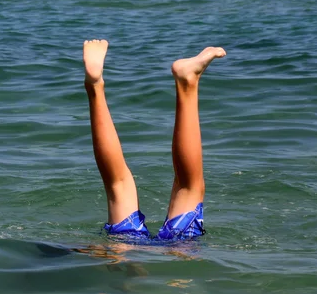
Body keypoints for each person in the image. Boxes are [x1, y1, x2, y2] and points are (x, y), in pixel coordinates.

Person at [83, 39, 226, 241]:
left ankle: (96, 87)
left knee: (184, 187)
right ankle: (95, 89)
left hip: (132, 253)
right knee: (117, 185)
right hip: (159, 252)